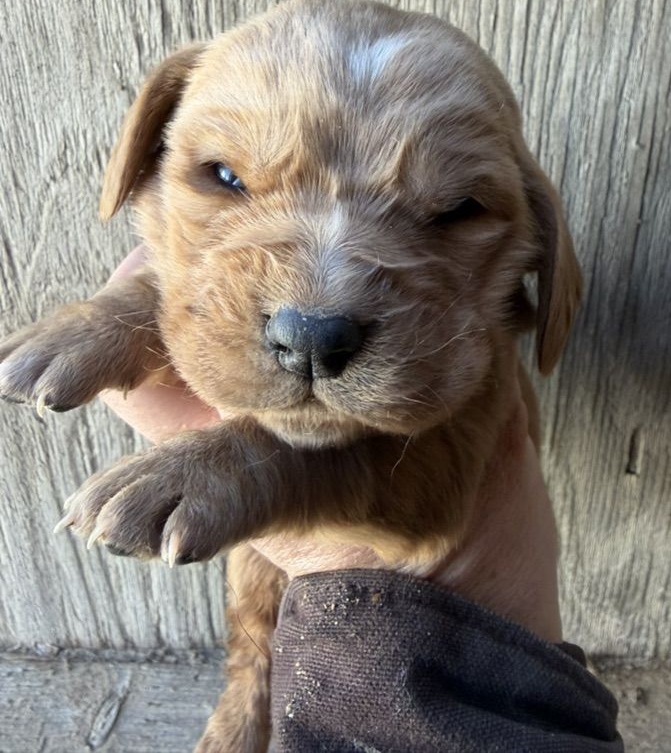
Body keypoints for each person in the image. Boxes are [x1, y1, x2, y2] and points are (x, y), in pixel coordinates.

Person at [100, 249, 623, 751]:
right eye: (232, 191)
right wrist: (126, 313)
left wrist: (254, 476)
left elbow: (425, 502)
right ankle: (247, 691)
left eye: (450, 211)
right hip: (513, 692)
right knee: (257, 578)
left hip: (446, 617)